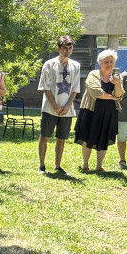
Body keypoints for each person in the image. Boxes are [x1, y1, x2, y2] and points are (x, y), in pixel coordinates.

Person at [74, 49, 124, 172]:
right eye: (106, 62)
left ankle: (99, 166)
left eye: (111, 61)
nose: (109, 64)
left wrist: (117, 84)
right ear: (100, 63)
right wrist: (114, 97)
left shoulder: (117, 77)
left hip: (109, 112)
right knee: (87, 136)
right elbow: (97, 93)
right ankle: (85, 164)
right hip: (91, 110)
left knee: (104, 138)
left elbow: (119, 94)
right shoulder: (93, 74)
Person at [37, 35, 80, 175]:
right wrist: (54, 105)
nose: (68, 50)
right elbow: (45, 87)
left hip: (66, 109)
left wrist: (68, 106)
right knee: (45, 136)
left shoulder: (75, 66)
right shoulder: (49, 64)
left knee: (61, 138)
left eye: (70, 48)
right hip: (50, 108)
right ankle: (42, 165)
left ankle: (57, 165)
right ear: (58, 48)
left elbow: (75, 88)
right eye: (65, 48)